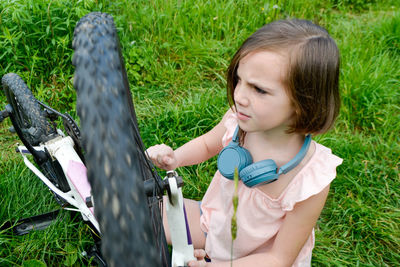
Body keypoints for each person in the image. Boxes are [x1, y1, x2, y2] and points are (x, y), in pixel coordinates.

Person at [146, 19, 343, 267]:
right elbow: (208, 144)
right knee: (140, 211)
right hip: (213, 225)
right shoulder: (240, 124)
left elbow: (279, 258)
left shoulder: (310, 178)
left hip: (258, 260)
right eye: (239, 80)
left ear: (305, 102)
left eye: (259, 90)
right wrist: (176, 158)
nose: (239, 96)